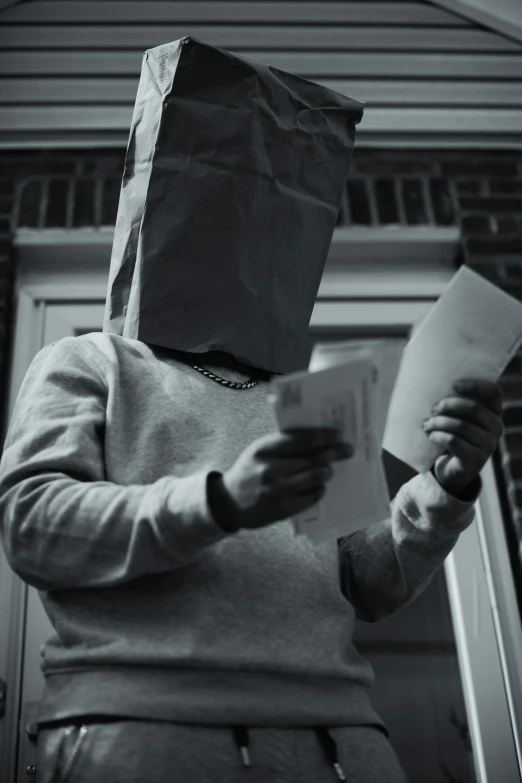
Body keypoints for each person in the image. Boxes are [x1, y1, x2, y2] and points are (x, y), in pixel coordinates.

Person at [0, 38, 505, 783]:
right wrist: (220, 499)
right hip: (144, 738)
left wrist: (447, 485)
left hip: (349, 745)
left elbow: (366, 582)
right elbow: (33, 526)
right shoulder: (90, 362)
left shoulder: (318, 400)